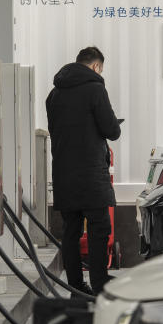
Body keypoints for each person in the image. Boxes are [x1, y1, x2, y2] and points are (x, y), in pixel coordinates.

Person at [46, 46, 121, 295]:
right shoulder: (95, 89)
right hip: (91, 173)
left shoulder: (54, 94)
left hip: (64, 172)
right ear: (96, 66)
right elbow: (111, 130)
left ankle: (76, 286)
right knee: (99, 228)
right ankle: (99, 286)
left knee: (71, 231)